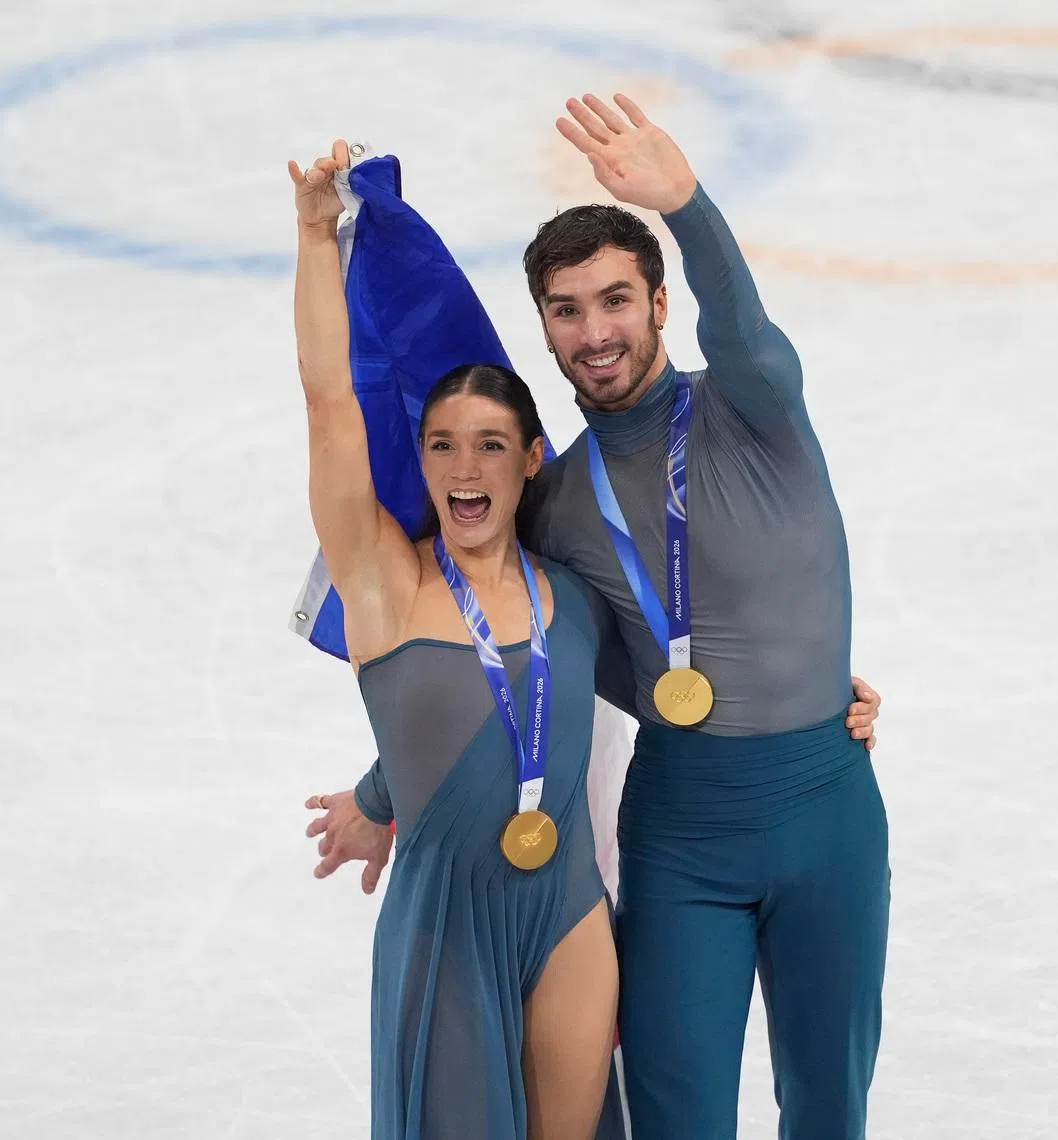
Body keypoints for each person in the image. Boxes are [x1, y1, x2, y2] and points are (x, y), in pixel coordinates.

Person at [514, 94, 892, 1139]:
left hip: (829, 808)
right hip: (684, 831)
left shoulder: (752, 404)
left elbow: (745, 325)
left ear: (659, 303)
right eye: (566, 309)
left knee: (828, 1105)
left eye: (614, 300)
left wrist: (684, 202)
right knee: (677, 1118)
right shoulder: (553, 506)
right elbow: (504, 637)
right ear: (542, 324)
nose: (594, 332)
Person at [288, 141, 629, 1140]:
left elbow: (669, 679)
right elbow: (330, 408)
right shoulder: (385, 587)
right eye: (441, 444)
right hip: (445, 928)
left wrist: (832, 695)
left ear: (531, 460)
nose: (465, 467)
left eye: (490, 444)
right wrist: (316, 237)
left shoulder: (576, 593)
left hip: (569, 914)